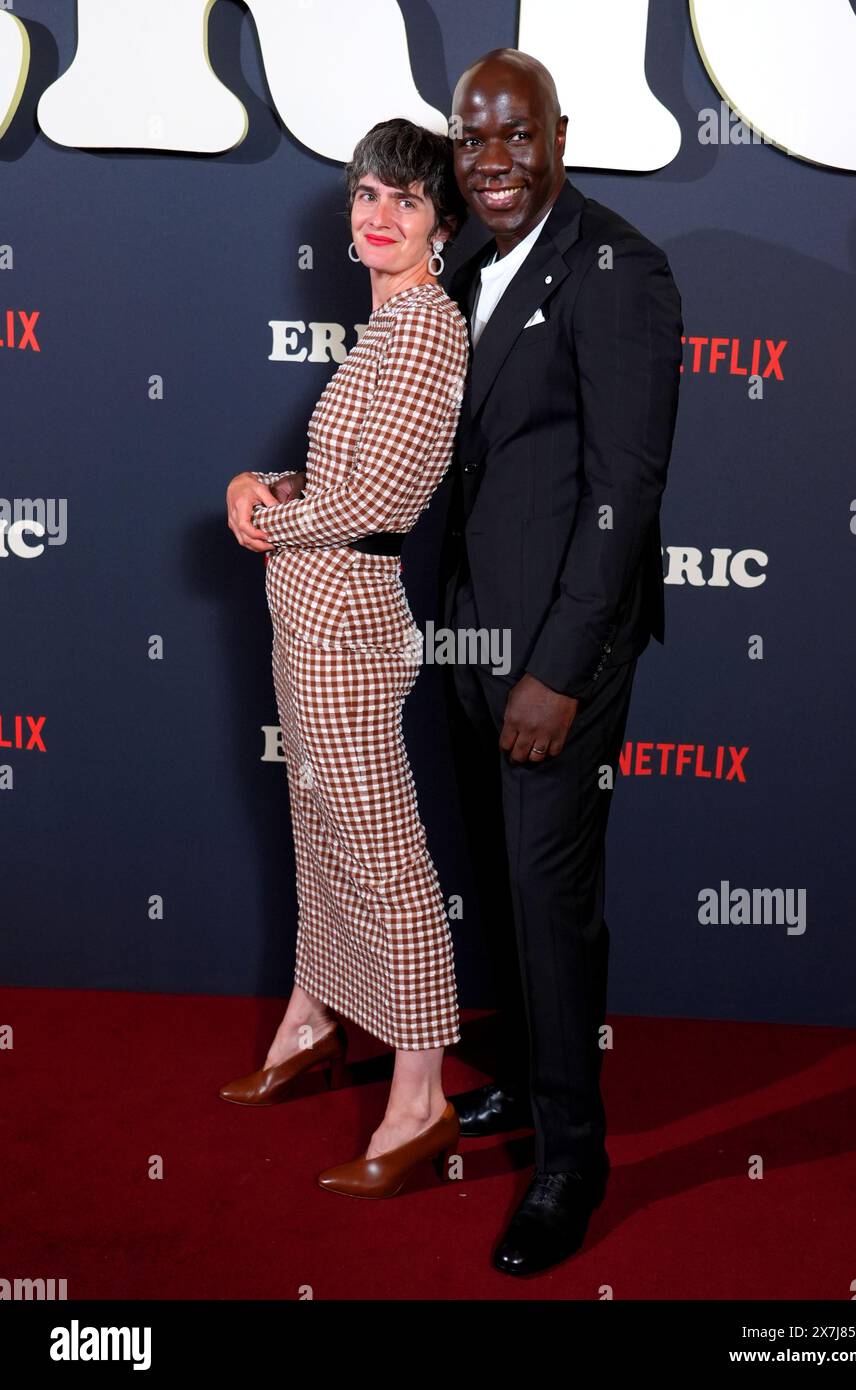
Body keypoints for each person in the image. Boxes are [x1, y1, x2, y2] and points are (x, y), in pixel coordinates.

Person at [438, 50, 683, 1272]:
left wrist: (558, 668)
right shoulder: (471, 267)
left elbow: (622, 488)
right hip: (472, 634)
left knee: (548, 899)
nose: (491, 160)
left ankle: (572, 1159)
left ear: (559, 136)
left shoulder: (617, 269)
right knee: (499, 878)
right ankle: (529, 1090)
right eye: (471, 138)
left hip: (555, 654)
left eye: (513, 137)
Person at [223, 118, 470, 1199]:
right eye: (367, 193)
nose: (377, 215)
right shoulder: (381, 330)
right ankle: (311, 1018)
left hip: (346, 624)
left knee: (383, 856)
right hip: (308, 609)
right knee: (316, 830)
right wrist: (266, 486)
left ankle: (419, 1098)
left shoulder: (425, 330)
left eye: (405, 201)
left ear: (441, 227)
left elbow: (382, 501)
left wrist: (267, 522)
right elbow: (341, 478)